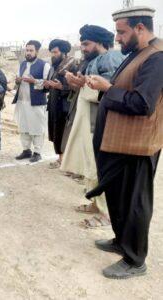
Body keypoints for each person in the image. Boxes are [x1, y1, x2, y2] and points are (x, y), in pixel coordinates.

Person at [86, 6, 163, 279]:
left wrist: (109, 89)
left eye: (122, 32)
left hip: (138, 145)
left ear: (140, 28)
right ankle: (122, 241)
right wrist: (104, 88)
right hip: (120, 142)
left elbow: (142, 103)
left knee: (135, 203)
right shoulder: (137, 54)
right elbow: (125, 89)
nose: (117, 38)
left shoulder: (156, 57)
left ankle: (135, 260)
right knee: (119, 198)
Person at [61, 25, 125, 228]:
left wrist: (86, 84)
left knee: (100, 167)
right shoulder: (93, 61)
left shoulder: (112, 59)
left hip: (101, 122)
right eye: (82, 45)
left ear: (99, 43)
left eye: (87, 44)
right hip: (88, 121)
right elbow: (91, 86)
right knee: (90, 166)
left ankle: (107, 214)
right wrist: (77, 82)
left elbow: (113, 91)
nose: (84, 48)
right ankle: (97, 204)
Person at [13, 40, 50, 163]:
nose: (28, 53)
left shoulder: (44, 65)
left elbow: (47, 84)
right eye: (27, 50)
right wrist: (17, 81)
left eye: (31, 50)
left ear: (37, 51)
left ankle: (37, 152)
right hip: (22, 101)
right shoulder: (22, 64)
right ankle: (26, 150)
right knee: (24, 127)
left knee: (37, 128)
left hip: (36, 102)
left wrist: (34, 81)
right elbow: (17, 82)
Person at [44, 39, 77, 168]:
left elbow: (77, 87)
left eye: (55, 52)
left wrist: (61, 87)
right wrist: (47, 85)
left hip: (65, 106)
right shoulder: (54, 67)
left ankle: (66, 161)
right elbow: (50, 83)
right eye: (51, 52)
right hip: (53, 105)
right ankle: (61, 159)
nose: (53, 55)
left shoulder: (72, 65)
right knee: (56, 133)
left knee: (64, 133)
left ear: (64, 52)